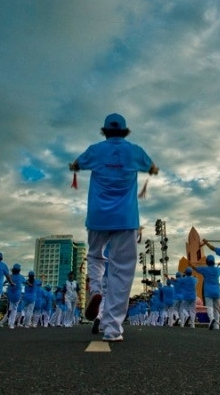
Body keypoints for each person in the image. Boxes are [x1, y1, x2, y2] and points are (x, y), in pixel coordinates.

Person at [69, 113, 158, 343]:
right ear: (126, 131)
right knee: (122, 269)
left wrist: (75, 166)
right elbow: (153, 168)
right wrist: (149, 170)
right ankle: (112, 328)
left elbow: (76, 165)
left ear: (104, 131)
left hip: (98, 217)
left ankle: (96, 289)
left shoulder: (95, 150)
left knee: (96, 257)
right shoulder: (134, 151)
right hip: (125, 218)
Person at [189, 255, 220, 330]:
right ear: (214, 262)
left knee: (209, 307)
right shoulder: (217, 270)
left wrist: (191, 264)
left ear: (207, 262)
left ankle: (211, 319)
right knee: (216, 308)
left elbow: (196, 269)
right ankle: (217, 325)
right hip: (217, 291)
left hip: (208, 291)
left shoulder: (205, 269)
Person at [5, 264, 25, 329]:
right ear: (19, 270)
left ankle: (9, 322)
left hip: (10, 294)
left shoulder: (10, 276)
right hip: (17, 294)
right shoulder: (21, 277)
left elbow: (5, 282)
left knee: (11, 308)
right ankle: (11, 324)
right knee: (14, 309)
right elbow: (26, 283)